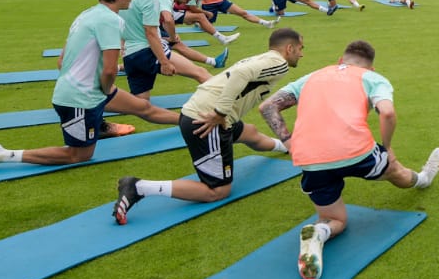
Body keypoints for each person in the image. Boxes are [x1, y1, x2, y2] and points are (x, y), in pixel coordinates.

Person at [258, 40, 439, 279]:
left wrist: (289, 142)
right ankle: (423, 179)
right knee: (393, 169)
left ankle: (319, 231)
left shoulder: (314, 75)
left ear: (339, 61)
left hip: (310, 159)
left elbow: (268, 106)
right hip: (356, 152)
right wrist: (388, 148)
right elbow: (387, 112)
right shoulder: (372, 78)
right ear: (371, 68)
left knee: (336, 220)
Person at [0, 0, 182, 171]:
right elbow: (110, 69)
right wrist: (104, 89)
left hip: (89, 89)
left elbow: (61, 59)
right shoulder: (110, 20)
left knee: (143, 107)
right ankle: (2, 155)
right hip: (79, 98)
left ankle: (189, 122)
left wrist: (99, 88)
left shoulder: (87, 14)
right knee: (79, 155)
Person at [112, 28, 304, 223]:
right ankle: (139, 187)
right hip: (207, 120)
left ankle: (290, 148)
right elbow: (240, 74)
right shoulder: (280, 64)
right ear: (289, 48)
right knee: (218, 191)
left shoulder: (266, 58)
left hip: (205, 111)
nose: (302, 53)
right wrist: (219, 112)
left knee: (250, 133)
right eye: (300, 48)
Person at [124, 0, 211, 102]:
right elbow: (151, 32)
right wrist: (164, 61)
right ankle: (231, 104)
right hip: (148, 51)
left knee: (141, 103)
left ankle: (91, 108)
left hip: (130, 55)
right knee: (201, 73)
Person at [169, 0, 239, 48]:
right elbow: (192, 8)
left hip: (175, 12)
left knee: (199, 17)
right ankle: (223, 39)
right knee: (200, 16)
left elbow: (194, 8)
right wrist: (206, 13)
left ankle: (222, 39)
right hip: (173, 11)